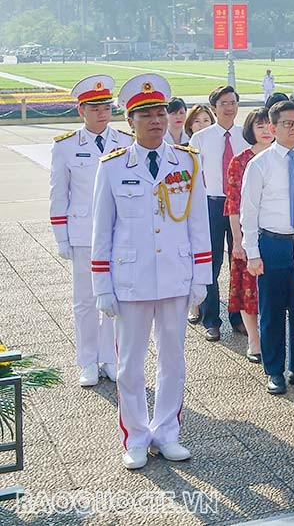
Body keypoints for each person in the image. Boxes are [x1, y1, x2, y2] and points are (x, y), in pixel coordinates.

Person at [91, 74, 211, 469]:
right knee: (129, 363)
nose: (156, 120)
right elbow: (102, 230)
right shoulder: (111, 167)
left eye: (161, 113)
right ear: (130, 121)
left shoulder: (188, 162)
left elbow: (198, 224)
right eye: (146, 115)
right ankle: (137, 436)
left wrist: (201, 277)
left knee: (173, 360)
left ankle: (167, 433)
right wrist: (102, 285)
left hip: (175, 275)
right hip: (131, 278)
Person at [51, 75, 129, 387]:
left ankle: (109, 358)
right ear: (81, 110)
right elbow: (59, 193)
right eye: (95, 107)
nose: (102, 113)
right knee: (85, 300)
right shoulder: (66, 146)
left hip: (118, 233)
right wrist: (61, 236)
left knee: (114, 297)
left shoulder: (123, 142)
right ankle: (86, 360)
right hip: (83, 233)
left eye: (106, 107)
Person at [241, 100, 294, 395]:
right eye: (288, 123)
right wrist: (252, 253)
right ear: (272, 128)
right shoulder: (260, 164)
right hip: (273, 245)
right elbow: (249, 211)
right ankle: (274, 371)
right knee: (271, 312)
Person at [187, 85, 249, 341]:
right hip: (211, 204)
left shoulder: (245, 134)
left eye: (233, 102)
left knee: (240, 263)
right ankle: (211, 319)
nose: (229, 107)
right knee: (212, 263)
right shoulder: (200, 138)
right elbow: (192, 177)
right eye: (223, 103)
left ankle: (239, 317)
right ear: (213, 108)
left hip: (241, 205)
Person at [224, 109, 271, 364]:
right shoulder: (240, 161)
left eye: (268, 125)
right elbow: (233, 204)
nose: (265, 130)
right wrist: (237, 240)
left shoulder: (283, 156)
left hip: (277, 234)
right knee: (247, 288)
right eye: (260, 126)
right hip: (247, 233)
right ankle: (254, 339)